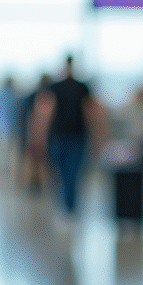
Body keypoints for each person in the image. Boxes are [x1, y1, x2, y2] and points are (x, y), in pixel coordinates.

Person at [32, 55, 107, 217]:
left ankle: (69, 209)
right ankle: (67, 208)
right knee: (61, 174)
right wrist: (40, 136)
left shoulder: (81, 87)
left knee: (71, 174)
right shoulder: (58, 87)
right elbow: (45, 113)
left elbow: (92, 113)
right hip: (60, 137)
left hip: (76, 137)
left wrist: (98, 137)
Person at [0, 75, 22, 182]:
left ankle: (2, 180)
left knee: (2, 157)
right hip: (14, 130)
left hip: (0, 131)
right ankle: (12, 179)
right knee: (13, 157)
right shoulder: (16, 96)